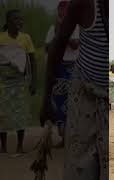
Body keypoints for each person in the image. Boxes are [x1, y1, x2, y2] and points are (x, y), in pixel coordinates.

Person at [40, 0, 108, 179]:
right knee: (81, 165)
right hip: (84, 92)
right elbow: (57, 45)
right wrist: (46, 99)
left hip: (108, 96)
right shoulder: (83, 4)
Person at [0, 9, 36, 154]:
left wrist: (33, 81)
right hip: (2, 83)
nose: (19, 22)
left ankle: (20, 145)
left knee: (20, 114)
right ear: (8, 22)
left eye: (21, 19)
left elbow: (33, 61)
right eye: (16, 19)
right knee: (2, 115)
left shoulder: (26, 38)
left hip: (20, 82)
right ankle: (3, 146)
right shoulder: (1, 38)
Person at [45, 0, 80, 148]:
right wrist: (60, 33)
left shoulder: (78, 27)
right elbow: (48, 47)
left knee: (73, 103)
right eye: (62, 11)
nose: (64, 14)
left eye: (67, 11)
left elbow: (75, 44)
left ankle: (71, 139)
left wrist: (61, 37)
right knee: (59, 102)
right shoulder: (53, 28)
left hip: (74, 68)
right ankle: (63, 138)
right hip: (59, 67)